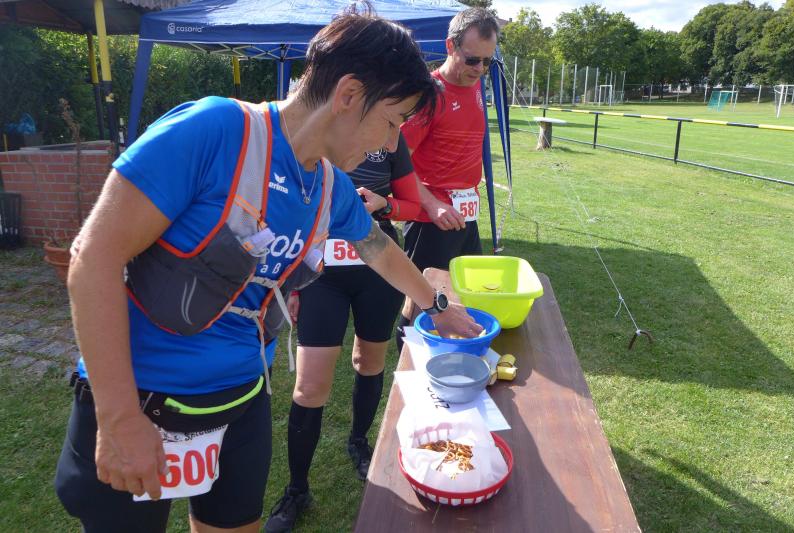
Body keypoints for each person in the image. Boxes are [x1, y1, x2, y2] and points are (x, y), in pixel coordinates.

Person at [53, 11, 482, 533]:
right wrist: (119, 417)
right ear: (348, 95)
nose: (391, 146)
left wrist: (439, 306)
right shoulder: (214, 130)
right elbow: (93, 257)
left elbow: (379, 250)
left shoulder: (328, 185)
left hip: (242, 399)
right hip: (145, 399)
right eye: (392, 122)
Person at [264, 133, 420, 532]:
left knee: (369, 361)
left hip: (378, 269)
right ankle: (297, 489)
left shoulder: (389, 135)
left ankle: (359, 442)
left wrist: (386, 204)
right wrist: (291, 283)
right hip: (321, 274)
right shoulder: (320, 129)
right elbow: (287, 206)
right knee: (309, 385)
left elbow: (415, 205)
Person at [396, 7, 500, 351]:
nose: (479, 69)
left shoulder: (475, 84)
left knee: (465, 296)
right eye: (472, 59)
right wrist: (431, 204)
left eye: (487, 61)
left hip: (465, 215)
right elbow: (398, 160)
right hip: (431, 220)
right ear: (450, 46)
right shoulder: (428, 94)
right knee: (422, 303)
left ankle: (458, 358)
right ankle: (407, 366)